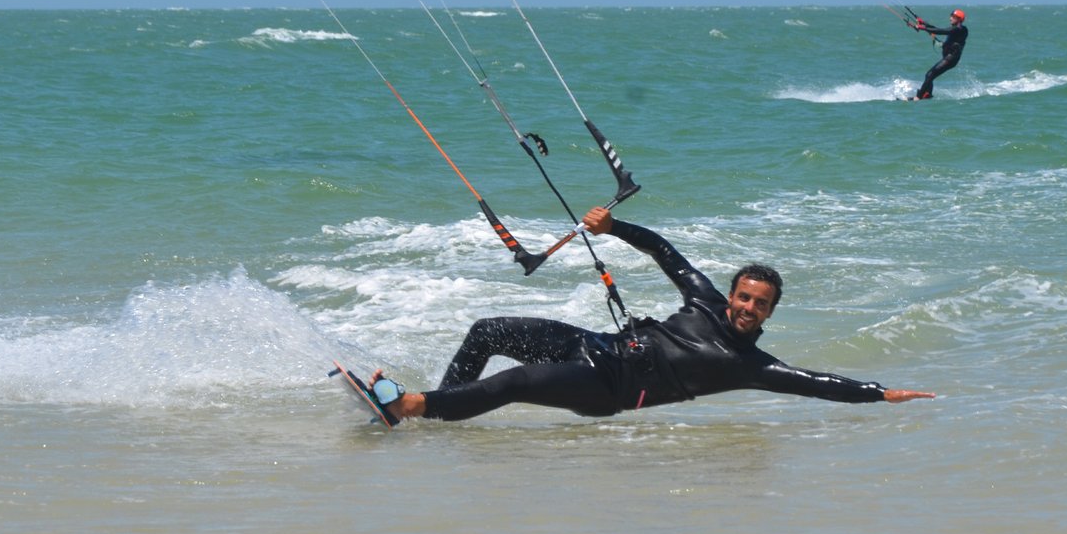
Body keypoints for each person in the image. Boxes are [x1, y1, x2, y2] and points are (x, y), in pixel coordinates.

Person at [368, 206, 934, 423]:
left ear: (769, 313)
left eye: (760, 304)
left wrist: (880, 393)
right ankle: (438, 412)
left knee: (516, 382)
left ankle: (412, 406)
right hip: (594, 346)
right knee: (487, 331)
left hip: (606, 388)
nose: (748, 307)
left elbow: (818, 384)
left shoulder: (751, 366)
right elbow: (666, 252)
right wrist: (614, 228)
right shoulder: (704, 300)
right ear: (733, 295)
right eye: (744, 296)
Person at [911, 8, 969, 100]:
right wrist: (924, 23)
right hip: (948, 57)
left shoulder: (960, 29)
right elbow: (937, 29)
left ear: (959, 19)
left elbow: (942, 31)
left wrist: (923, 28)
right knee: (929, 75)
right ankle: (927, 94)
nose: (950, 18)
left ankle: (918, 97)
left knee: (930, 75)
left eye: (953, 17)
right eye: (951, 16)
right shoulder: (954, 28)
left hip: (951, 59)